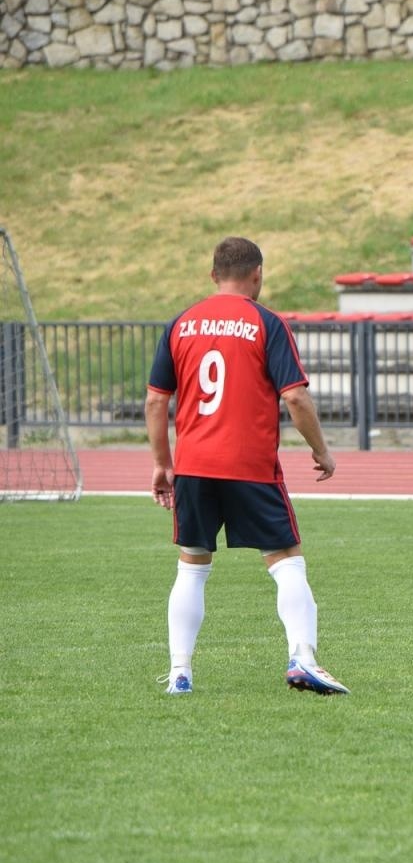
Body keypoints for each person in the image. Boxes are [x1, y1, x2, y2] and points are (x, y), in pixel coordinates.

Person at [145, 236, 348, 696]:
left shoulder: (181, 323)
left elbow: (156, 402)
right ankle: (303, 658)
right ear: (257, 275)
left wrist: (162, 464)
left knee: (192, 566)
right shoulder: (266, 323)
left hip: (194, 465)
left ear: (213, 275)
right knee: (286, 561)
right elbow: (295, 397)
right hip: (250, 466)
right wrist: (321, 450)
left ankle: (180, 673)